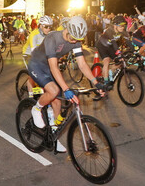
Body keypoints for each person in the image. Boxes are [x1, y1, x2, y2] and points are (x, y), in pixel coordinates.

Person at [28, 16, 106, 152]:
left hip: (50, 67)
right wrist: (66, 88)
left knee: (57, 102)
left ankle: (53, 135)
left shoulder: (76, 40)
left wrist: (95, 82)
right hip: (37, 65)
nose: (75, 41)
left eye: (78, 39)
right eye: (72, 37)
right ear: (67, 29)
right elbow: (53, 67)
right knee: (53, 91)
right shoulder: (53, 38)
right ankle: (37, 108)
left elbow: (82, 64)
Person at [95, 15, 131, 96]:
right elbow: (115, 44)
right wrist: (119, 53)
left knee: (121, 62)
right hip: (102, 46)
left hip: (110, 46)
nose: (122, 27)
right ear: (115, 25)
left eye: (124, 26)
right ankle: (106, 82)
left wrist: (136, 52)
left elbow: (129, 42)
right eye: (121, 26)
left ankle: (110, 70)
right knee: (107, 61)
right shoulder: (109, 31)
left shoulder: (123, 31)